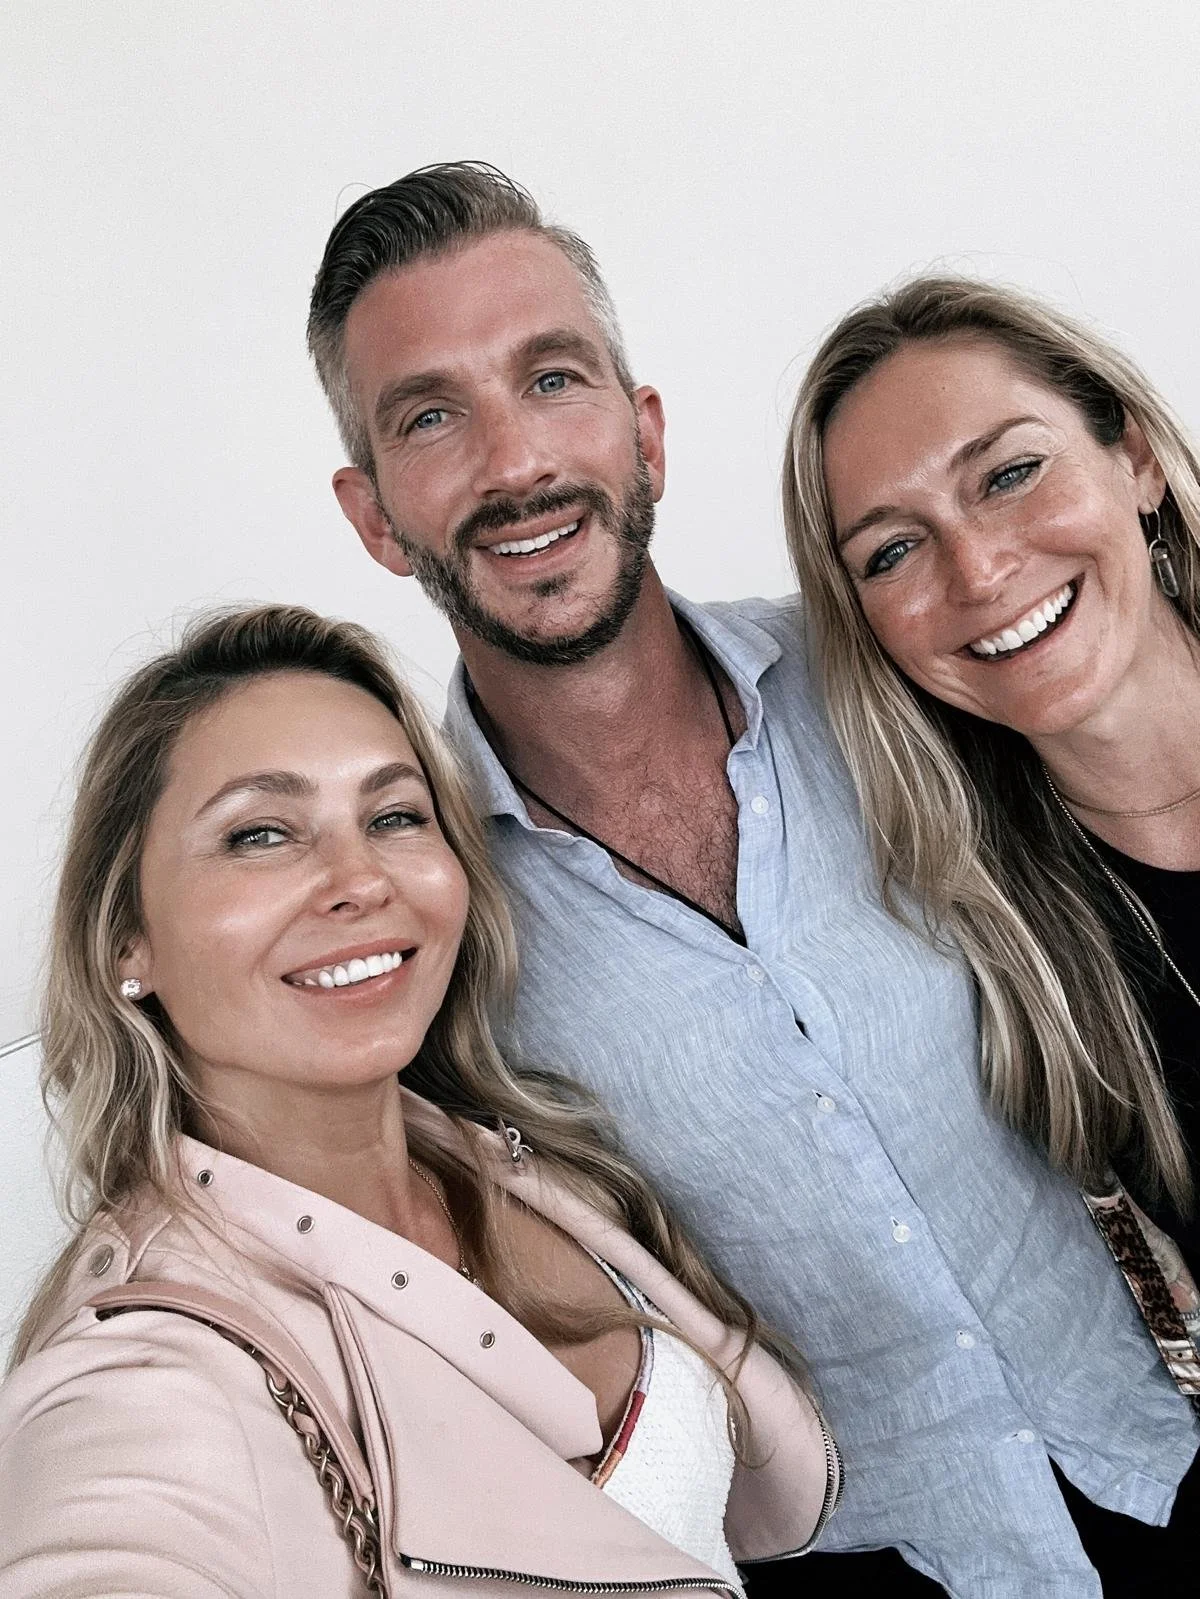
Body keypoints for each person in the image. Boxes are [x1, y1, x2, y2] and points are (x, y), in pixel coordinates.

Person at [308, 163, 1200, 1596]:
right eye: (430, 417)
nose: (515, 460)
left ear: (646, 433)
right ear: (372, 514)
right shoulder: (423, 900)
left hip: (1158, 1455)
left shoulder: (898, 674)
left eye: (553, 379)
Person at [0, 605, 838, 1597]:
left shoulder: (517, 1155)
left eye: (395, 816)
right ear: (124, 941)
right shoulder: (150, 1383)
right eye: (260, 834)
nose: (358, 879)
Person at [782, 273, 1200, 1589]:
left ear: (1136, 456)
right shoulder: (1001, 947)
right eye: (892, 552)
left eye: (1011, 474)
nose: (977, 570)